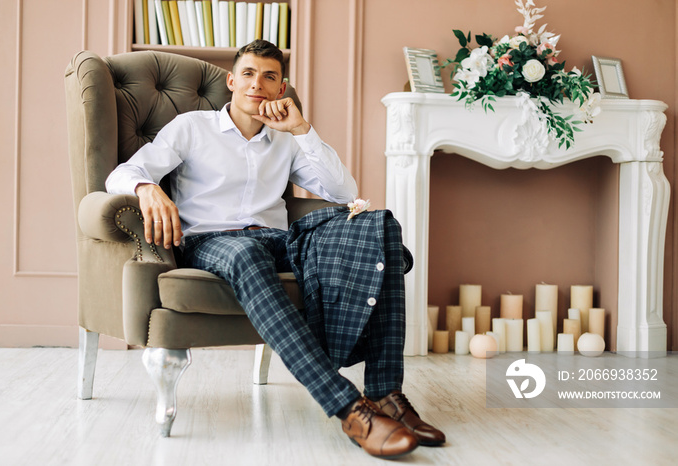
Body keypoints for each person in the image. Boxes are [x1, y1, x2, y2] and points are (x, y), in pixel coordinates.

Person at [106, 39, 444, 459]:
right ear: (231, 80)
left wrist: (301, 131)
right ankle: (348, 406)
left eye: (269, 76)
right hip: (212, 242)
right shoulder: (191, 127)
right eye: (248, 74)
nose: (257, 84)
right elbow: (125, 172)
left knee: (379, 226)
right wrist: (147, 189)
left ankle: (387, 395)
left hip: (279, 241)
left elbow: (343, 191)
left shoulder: (285, 138)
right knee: (247, 253)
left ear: (280, 87)